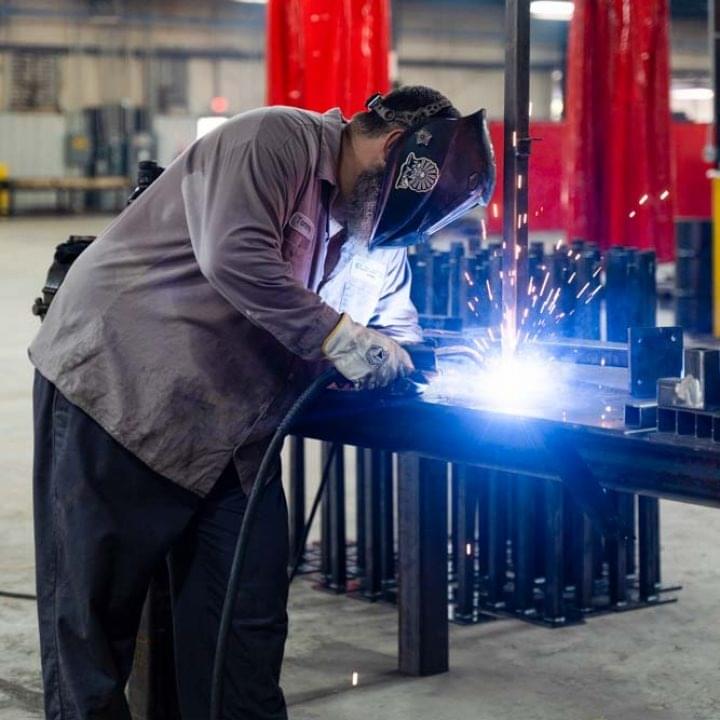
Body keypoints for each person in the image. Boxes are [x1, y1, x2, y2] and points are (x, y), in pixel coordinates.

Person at [29, 85, 495, 719]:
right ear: (392, 149)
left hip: (232, 436)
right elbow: (236, 257)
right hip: (121, 394)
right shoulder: (274, 141)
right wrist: (345, 340)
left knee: (243, 629)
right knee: (92, 635)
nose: (392, 239)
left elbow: (394, 324)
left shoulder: (375, 237)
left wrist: (414, 355)